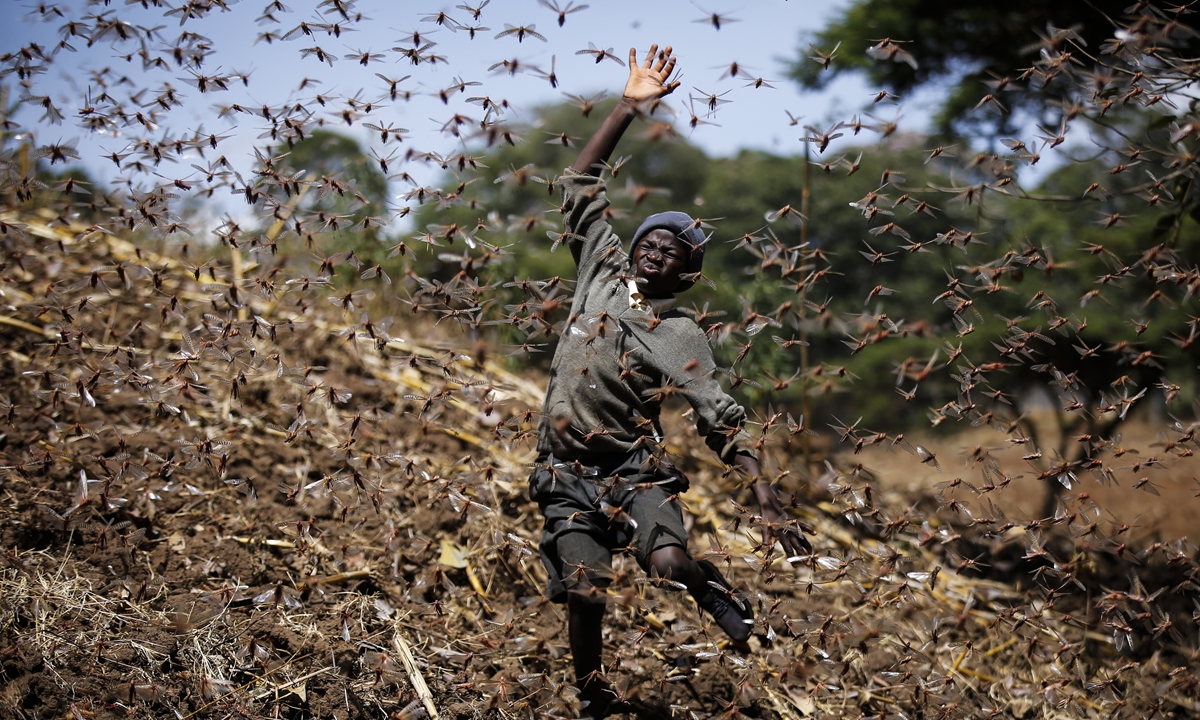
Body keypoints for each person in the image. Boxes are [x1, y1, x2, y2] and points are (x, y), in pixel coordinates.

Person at [526, 44, 812, 718]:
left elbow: (720, 416)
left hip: (634, 470)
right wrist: (628, 107)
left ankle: (706, 586)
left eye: (672, 251)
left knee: (669, 568)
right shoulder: (597, 273)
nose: (655, 249)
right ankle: (595, 694)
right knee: (585, 587)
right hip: (565, 469)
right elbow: (579, 181)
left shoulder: (680, 334)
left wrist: (765, 497)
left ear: (685, 273)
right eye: (650, 239)